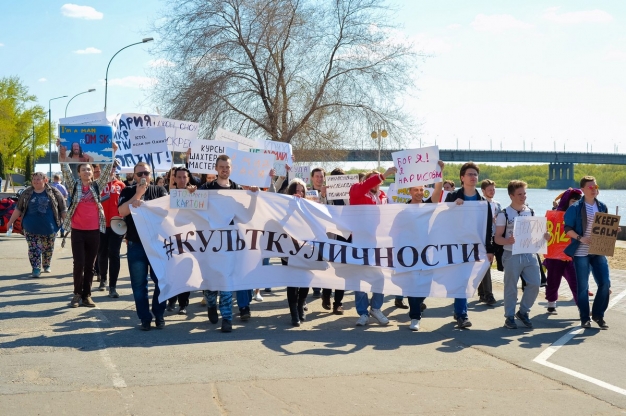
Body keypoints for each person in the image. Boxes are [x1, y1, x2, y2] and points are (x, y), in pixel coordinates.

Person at [198, 154, 260, 332]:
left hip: (229, 245)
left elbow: (246, 216)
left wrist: (254, 197)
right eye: (222, 167)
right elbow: (192, 209)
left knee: (225, 281)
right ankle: (211, 304)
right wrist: (191, 193)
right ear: (216, 169)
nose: (225, 169)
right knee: (210, 283)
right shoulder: (206, 188)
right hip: (209, 244)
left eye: (228, 167)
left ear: (231, 169)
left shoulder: (237, 189)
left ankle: (227, 317)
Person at [60, 141, 117, 308]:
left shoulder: (97, 186)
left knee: (90, 265)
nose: (86, 171)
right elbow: (65, 170)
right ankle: (77, 294)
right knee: (79, 263)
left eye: (89, 169)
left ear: (93, 173)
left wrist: (113, 151)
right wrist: (61, 152)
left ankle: (87, 295)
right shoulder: (74, 185)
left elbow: (107, 171)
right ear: (79, 173)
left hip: (94, 231)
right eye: (83, 169)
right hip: (77, 231)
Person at [118, 162, 168, 330]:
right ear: (134, 176)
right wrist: (137, 197)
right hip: (136, 245)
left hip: (157, 244)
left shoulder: (159, 191)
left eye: (146, 173)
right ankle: (145, 318)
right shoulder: (127, 191)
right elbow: (122, 211)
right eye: (139, 174)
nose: (143, 176)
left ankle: (159, 313)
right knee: (139, 285)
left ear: (151, 175)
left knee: (161, 281)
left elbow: (169, 210)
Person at [444, 162, 494, 329]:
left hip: (475, 247)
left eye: (475, 175)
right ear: (462, 178)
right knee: (461, 279)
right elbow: (441, 219)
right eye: (470, 174)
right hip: (456, 245)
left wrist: (489, 249)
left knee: (467, 279)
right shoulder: (452, 197)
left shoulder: (483, 203)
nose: (473, 177)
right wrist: (451, 207)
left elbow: (487, 228)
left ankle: (460, 312)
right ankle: (462, 313)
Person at [495, 180, 550, 329]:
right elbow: (497, 238)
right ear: (511, 195)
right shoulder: (504, 214)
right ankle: (509, 316)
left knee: (535, 283)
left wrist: (544, 236)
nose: (523, 196)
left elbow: (535, 234)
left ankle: (523, 311)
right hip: (511, 254)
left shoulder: (530, 211)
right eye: (519, 194)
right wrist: (507, 240)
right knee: (511, 287)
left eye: (524, 193)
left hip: (529, 254)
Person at [349, 166, 397, 326]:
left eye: (379, 179)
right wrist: (384, 175)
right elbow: (362, 188)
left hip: (379, 244)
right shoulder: (357, 191)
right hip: (361, 242)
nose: (378, 181)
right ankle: (362, 313)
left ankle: (375, 308)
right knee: (360, 278)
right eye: (374, 179)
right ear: (367, 181)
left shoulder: (384, 197)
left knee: (380, 277)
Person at [564, 176, 611, 329]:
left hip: (598, 250)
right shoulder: (575, 208)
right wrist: (580, 238)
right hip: (581, 252)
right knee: (583, 287)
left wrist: (612, 230)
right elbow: (567, 229)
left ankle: (598, 315)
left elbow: (604, 228)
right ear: (583, 189)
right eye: (590, 186)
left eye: (595, 186)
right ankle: (585, 317)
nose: (594, 188)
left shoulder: (602, 206)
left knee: (605, 283)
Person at [404, 162, 444, 331]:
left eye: (422, 190)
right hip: (409, 252)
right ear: (410, 191)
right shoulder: (403, 209)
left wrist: (439, 172)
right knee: (413, 284)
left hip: (427, 251)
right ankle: (415, 317)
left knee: (425, 285)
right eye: (416, 190)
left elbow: (438, 190)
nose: (419, 193)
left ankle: (417, 304)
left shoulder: (428, 205)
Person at [6, 172, 66, 277]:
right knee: (34, 249)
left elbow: (62, 209)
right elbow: (18, 209)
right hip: (30, 227)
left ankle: (46, 264)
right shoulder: (27, 193)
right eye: (34, 179)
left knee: (48, 249)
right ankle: (36, 268)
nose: (35, 181)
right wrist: (10, 222)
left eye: (38, 179)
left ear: (45, 180)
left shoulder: (54, 192)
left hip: (50, 228)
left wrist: (69, 224)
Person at [166, 167, 198, 315]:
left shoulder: (194, 193)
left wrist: (194, 195)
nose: (182, 180)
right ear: (174, 178)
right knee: (172, 270)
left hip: (187, 238)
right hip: (171, 237)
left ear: (188, 178)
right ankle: (171, 299)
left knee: (185, 270)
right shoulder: (166, 193)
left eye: (184, 177)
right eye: (178, 177)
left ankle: (183, 304)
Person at [543, 188, 581, 314]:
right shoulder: (555, 215)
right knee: (553, 280)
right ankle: (551, 303)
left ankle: (582, 307)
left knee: (576, 282)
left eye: (577, 202)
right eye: (572, 201)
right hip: (555, 256)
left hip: (571, 256)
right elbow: (545, 229)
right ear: (567, 201)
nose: (575, 204)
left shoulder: (580, 216)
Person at [320, 167, 349, 315]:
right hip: (330, 237)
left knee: (342, 271)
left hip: (345, 238)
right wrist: (323, 195)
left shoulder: (348, 196)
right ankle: (326, 294)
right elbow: (318, 210)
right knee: (329, 269)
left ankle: (338, 303)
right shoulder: (326, 196)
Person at [283, 178, 310, 326]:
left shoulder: (308, 206)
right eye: (296, 191)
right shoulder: (284, 206)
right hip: (288, 249)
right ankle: (294, 312)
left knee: (305, 280)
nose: (299, 194)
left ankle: (301, 306)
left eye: (302, 191)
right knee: (292, 282)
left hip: (305, 249)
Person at [96, 168, 126, 297]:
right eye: (107, 167)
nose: (110, 171)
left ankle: (113, 286)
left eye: (112, 168)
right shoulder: (97, 184)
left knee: (114, 254)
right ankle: (103, 278)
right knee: (102, 252)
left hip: (117, 224)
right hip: (101, 224)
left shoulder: (121, 185)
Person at [478, 179, 500, 306]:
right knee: (485, 266)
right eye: (489, 190)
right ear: (484, 191)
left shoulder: (497, 204)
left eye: (493, 189)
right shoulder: (479, 203)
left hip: (493, 237)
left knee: (485, 266)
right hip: (482, 237)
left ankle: (482, 293)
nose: (492, 192)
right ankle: (488, 294)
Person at [309, 167, 327, 297]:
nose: (319, 179)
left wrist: (324, 196)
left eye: (321, 176)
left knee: (324, 258)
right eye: (317, 176)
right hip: (310, 230)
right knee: (313, 258)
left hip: (325, 230)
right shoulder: (306, 191)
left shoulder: (330, 192)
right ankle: (315, 287)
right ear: (312, 178)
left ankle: (325, 285)